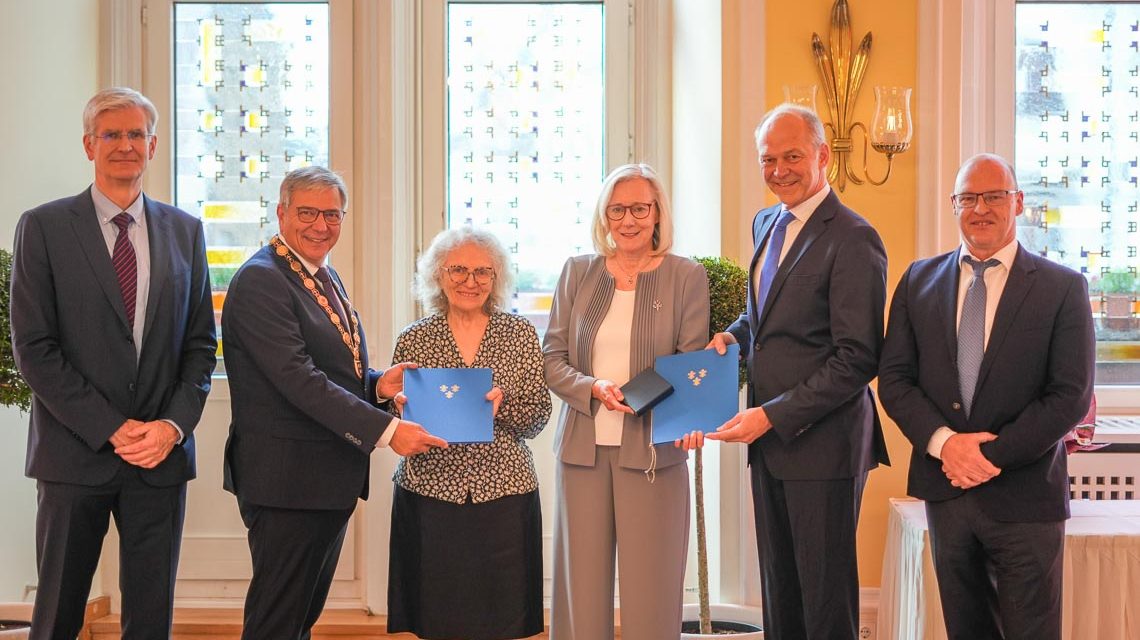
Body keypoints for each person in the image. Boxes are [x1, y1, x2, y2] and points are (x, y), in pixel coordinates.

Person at [9, 87, 218, 639]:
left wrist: (171, 428)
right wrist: (111, 426)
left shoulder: (186, 231)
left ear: (152, 145)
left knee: (150, 616)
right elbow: (34, 347)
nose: (124, 145)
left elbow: (200, 347)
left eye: (135, 135)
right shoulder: (44, 227)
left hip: (159, 458)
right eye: (111, 134)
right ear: (88, 145)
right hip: (73, 453)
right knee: (57, 612)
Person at [221, 166, 446, 640]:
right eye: (308, 212)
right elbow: (297, 379)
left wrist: (378, 384)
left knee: (299, 619)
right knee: (276, 621)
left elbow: (331, 368)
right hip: (287, 482)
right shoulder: (261, 280)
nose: (321, 225)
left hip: (323, 479)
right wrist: (387, 431)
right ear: (281, 212)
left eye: (332, 214)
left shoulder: (320, 272)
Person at [878, 153, 1095, 640]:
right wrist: (946, 445)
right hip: (947, 493)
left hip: (1026, 495)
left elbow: (1070, 396)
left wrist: (988, 456)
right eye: (968, 197)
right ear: (953, 206)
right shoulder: (917, 282)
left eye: (994, 195)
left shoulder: (1063, 288)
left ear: (1016, 202)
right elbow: (894, 379)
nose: (981, 208)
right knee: (965, 630)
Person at [703, 103, 889, 640]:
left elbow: (858, 356)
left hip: (824, 443)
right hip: (770, 442)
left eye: (791, 156)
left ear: (823, 156)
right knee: (779, 588)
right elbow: (765, 311)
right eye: (768, 159)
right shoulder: (767, 221)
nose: (778, 169)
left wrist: (771, 416)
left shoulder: (854, 237)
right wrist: (734, 335)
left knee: (824, 597)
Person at [543, 163, 710, 640]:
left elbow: (688, 361)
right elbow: (553, 357)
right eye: (618, 209)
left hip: (655, 450)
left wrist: (635, 398)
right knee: (581, 591)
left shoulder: (686, 276)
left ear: (657, 213)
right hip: (582, 450)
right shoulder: (578, 271)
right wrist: (592, 388)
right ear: (604, 214)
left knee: (653, 592)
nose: (629, 219)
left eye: (640, 207)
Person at [385, 226, 552, 640]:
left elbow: (538, 416)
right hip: (431, 493)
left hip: (504, 495)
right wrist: (398, 409)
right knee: (436, 616)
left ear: (497, 279)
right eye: (458, 270)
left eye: (483, 272)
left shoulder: (519, 334)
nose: (470, 281)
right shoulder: (415, 338)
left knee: (503, 617)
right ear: (438, 276)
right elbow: (394, 408)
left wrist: (503, 406)